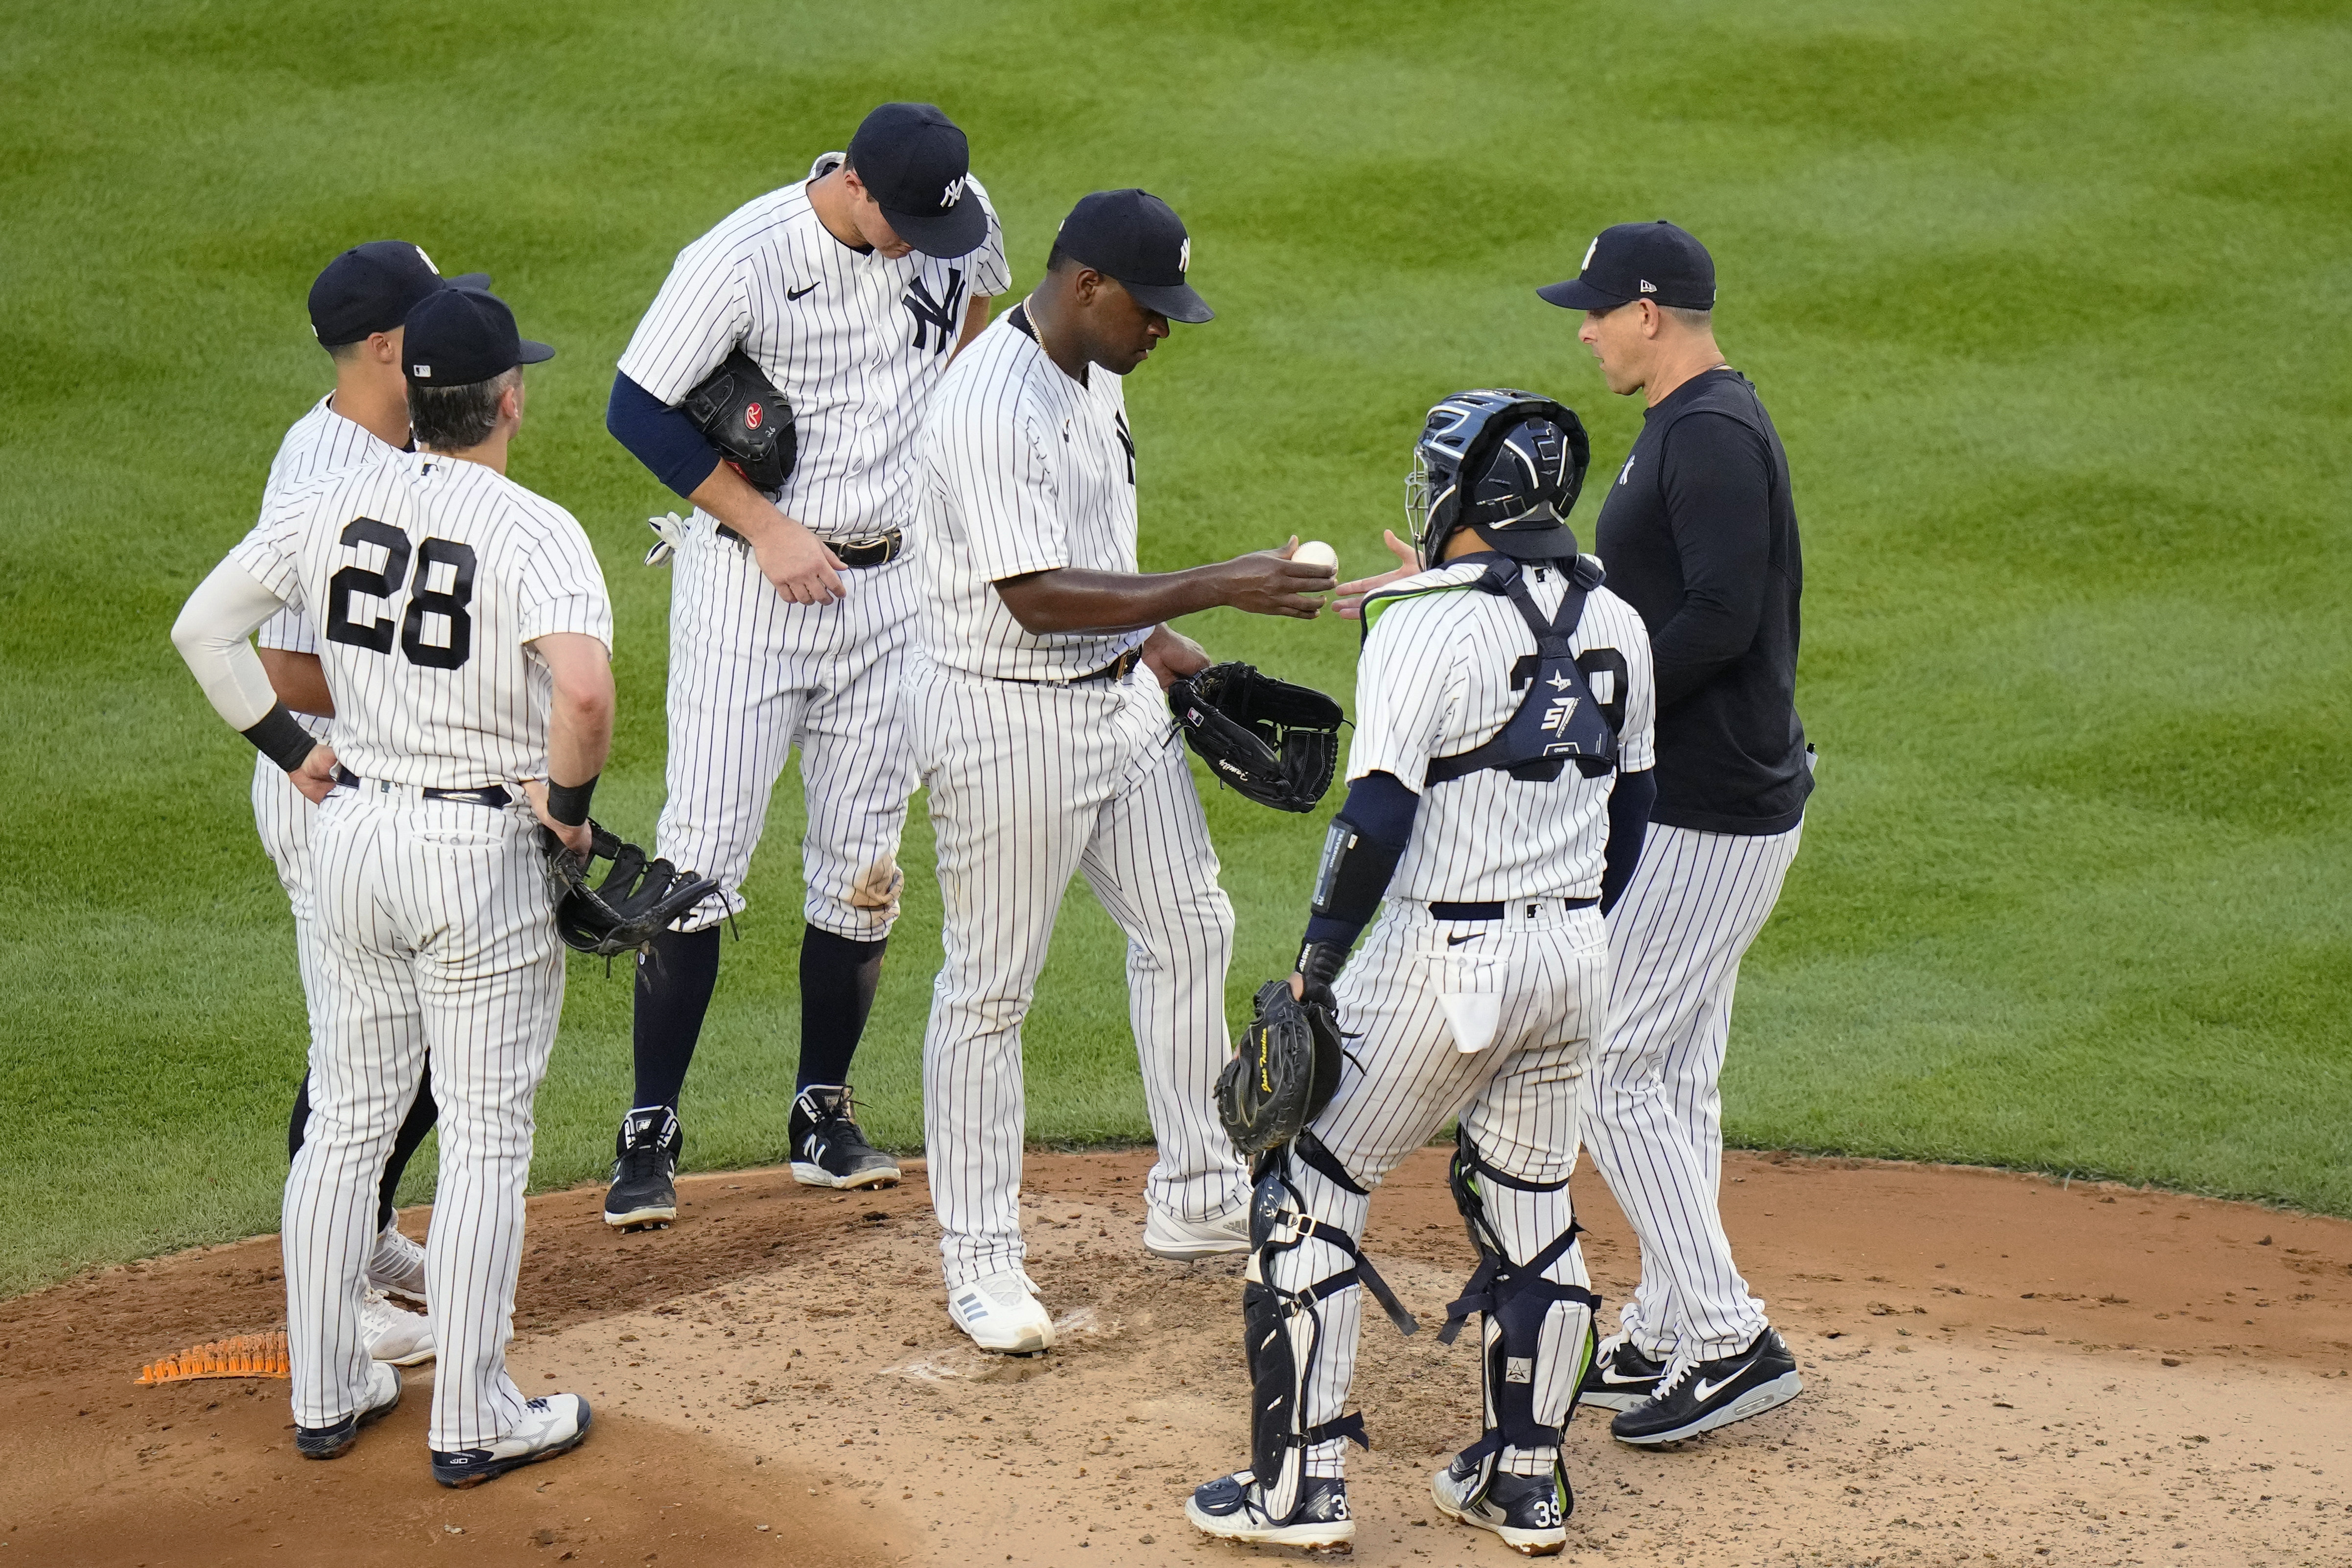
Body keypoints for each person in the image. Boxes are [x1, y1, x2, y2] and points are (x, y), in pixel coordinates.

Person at [1185, 390, 1657, 1554]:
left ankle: (1299, 1492)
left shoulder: (1421, 626)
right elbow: (1632, 811)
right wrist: (1567, 925)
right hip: (1574, 958)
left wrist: (1313, 964)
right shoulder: (1620, 619)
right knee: (1529, 1203)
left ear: (1469, 495)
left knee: (1306, 1180)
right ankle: (1525, 1483)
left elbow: (1375, 815)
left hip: (1445, 960)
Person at [171, 286, 610, 1486]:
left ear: (414, 394)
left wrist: (290, 749)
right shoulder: (536, 531)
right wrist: (566, 820)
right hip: (476, 852)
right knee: (479, 1139)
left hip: (351, 834)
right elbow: (580, 698)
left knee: (348, 1127)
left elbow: (204, 630)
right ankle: (471, 1417)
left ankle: (328, 1389)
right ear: (507, 399)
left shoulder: (328, 497)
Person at [912, 189, 1339, 1354]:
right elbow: (1036, 594)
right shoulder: (989, 403)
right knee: (990, 990)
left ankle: (1199, 1193)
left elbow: (1094, 558)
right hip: (1004, 722)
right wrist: (1213, 584)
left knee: (1191, 925)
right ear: (1086, 284)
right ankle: (981, 1261)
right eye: (1150, 311)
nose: (1162, 331)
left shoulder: (1093, 376)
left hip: (1117, 706)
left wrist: (1158, 645)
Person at [599, 102, 1009, 1225]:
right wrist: (767, 527)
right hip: (751, 589)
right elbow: (634, 406)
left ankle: (821, 1114)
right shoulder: (741, 257)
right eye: (911, 223)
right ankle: (650, 1128)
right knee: (703, 853)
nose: (937, 242)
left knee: (864, 862)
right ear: (857, 189)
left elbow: (975, 339)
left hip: (896, 593)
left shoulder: (958, 229)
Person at [1539, 220, 1813, 1445]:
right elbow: (1639, 590)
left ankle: (1725, 1334)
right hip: (1712, 802)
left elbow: (1716, 614)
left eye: (1597, 311)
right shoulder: (1688, 423)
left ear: (1649, 313)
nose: (1585, 330)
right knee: (1676, 1072)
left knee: (1613, 1062)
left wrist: (1600, 695)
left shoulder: (1706, 434)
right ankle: (1663, 1317)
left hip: (1711, 806)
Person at [260, 241, 491, 1368]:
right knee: (367, 1058)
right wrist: (414, 685)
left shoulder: (402, 441)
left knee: (429, 1044)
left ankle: (365, 1231)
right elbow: (280, 665)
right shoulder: (323, 471)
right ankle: (334, 1283)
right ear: (392, 346)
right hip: (332, 784)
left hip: (403, 783)